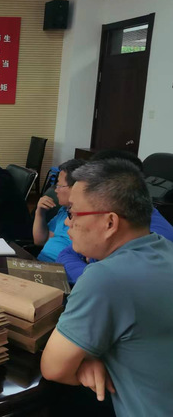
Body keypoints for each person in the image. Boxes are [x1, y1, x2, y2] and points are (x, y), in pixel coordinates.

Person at [41, 159, 173, 417]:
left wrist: (84, 359)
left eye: (73, 213)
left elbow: (54, 368)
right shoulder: (165, 248)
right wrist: (91, 357)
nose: (67, 223)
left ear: (110, 223)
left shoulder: (107, 278)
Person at [57, 150, 173, 283]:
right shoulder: (100, 221)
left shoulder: (155, 237)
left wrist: (93, 276)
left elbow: (112, 281)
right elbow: (66, 254)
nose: (68, 222)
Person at [33, 159, 85, 262]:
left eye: (59, 186)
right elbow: (40, 241)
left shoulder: (87, 219)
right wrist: (39, 213)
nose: (56, 190)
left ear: (76, 187)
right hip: (41, 263)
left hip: (61, 269)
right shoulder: (64, 210)